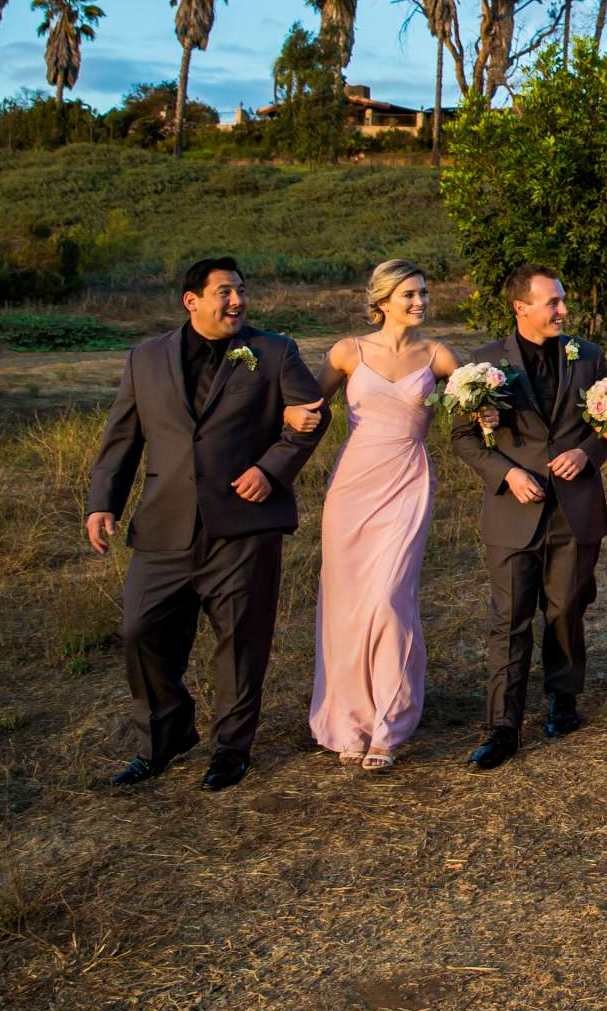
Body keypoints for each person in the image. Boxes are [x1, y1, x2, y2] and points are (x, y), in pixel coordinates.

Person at [85, 257, 328, 791]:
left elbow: (314, 414)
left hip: (244, 527)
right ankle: (164, 736)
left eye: (241, 290)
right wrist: (103, 502)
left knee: (241, 643)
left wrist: (272, 470)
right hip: (163, 525)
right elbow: (122, 438)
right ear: (191, 300)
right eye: (224, 292)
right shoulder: (144, 359)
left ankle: (230, 748)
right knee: (139, 631)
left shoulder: (273, 352)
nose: (237, 300)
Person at [301, 260, 460, 771]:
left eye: (424, 293)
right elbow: (308, 406)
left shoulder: (437, 356)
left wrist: (487, 410)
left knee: (390, 598)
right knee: (348, 604)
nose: (420, 302)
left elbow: (482, 406)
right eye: (410, 294)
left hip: (407, 481)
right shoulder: (347, 352)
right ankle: (350, 720)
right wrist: (287, 413)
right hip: (353, 486)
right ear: (383, 300)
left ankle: (390, 723)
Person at [454, 265, 607, 770]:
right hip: (513, 510)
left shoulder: (588, 356)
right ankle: (503, 725)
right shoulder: (482, 364)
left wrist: (588, 453)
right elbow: (461, 437)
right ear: (520, 307)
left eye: (563, 301)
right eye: (553, 303)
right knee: (509, 620)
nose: (564, 311)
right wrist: (506, 473)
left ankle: (563, 698)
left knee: (566, 608)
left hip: (574, 506)